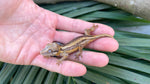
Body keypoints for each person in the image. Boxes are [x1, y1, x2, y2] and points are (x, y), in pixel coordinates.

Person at [0, 0, 119, 76]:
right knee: (86, 33)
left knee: (82, 44)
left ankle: (93, 34)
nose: (46, 51)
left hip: (82, 41)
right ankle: (92, 30)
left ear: (56, 50)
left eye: (49, 50)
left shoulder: (63, 52)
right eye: (49, 49)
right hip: (84, 37)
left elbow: (66, 55)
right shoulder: (61, 49)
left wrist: (62, 60)